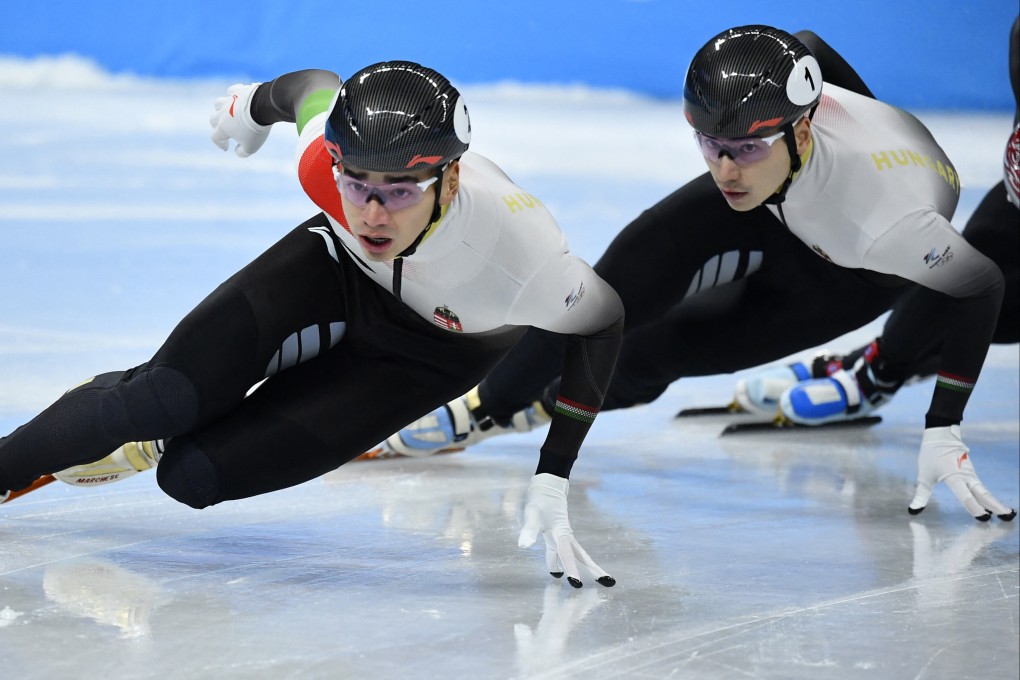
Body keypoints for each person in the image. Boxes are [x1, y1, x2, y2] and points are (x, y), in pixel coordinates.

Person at [0, 61, 625, 588]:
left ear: (451, 178)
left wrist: (552, 472)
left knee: (192, 477)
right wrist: (253, 105)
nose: (374, 213)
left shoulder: (522, 259)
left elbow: (603, 323)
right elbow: (313, 87)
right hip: (334, 271)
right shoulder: (325, 174)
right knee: (165, 395)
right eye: (357, 183)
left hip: (428, 356)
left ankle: (160, 441)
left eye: (402, 190)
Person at [378, 25, 1016, 523]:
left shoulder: (884, 218)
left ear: (802, 129)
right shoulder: (761, 151)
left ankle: (538, 404)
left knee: (665, 348)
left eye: (741, 149)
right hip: (786, 196)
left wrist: (943, 423)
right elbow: (811, 49)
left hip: (849, 271)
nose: (724, 170)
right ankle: (482, 406)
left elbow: (981, 285)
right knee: (615, 282)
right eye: (709, 144)